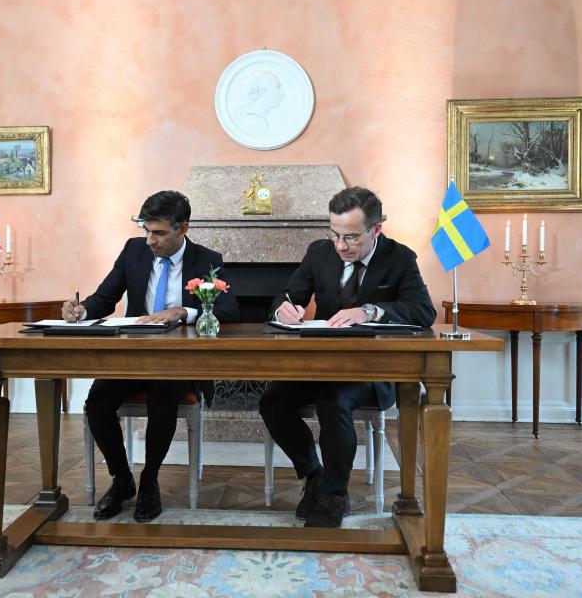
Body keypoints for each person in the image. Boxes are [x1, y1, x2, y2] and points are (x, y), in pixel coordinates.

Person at [259, 186, 435, 528]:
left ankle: (336, 495)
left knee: (333, 401)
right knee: (272, 402)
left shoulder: (400, 259)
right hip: (320, 363)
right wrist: (286, 307)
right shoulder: (319, 253)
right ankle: (315, 474)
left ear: (376, 230)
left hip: (373, 370)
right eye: (335, 234)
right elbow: (286, 294)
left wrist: (368, 311)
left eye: (351, 238)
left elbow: (422, 311)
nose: (341, 246)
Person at [62, 190, 240, 522]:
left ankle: (150, 480)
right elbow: (105, 297)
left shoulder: (206, 260)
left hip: (180, 361)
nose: (149, 240)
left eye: (158, 232)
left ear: (182, 228)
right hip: (133, 356)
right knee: (97, 402)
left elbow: (229, 308)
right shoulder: (133, 251)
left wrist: (183, 311)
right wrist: (81, 309)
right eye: (146, 230)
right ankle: (122, 478)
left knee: (163, 395)